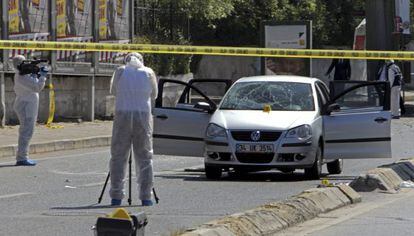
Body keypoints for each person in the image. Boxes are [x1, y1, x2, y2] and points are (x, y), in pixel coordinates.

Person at [109, 52, 158, 206]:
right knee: (144, 157)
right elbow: (154, 94)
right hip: (142, 116)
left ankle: (116, 196)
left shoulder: (120, 71)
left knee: (118, 156)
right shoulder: (149, 73)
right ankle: (146, 197)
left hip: (122, 114)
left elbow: (113, 91)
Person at [13, 55, 48, 166]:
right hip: (26, 106)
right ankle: (22, 158)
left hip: (27, 104)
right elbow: (37, 88)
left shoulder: (24, 74)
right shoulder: (21, 77)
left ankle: (22, 156)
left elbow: (33, 83)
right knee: (26, 131)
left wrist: (35, 73)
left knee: (27, 131)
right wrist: (42, 76)